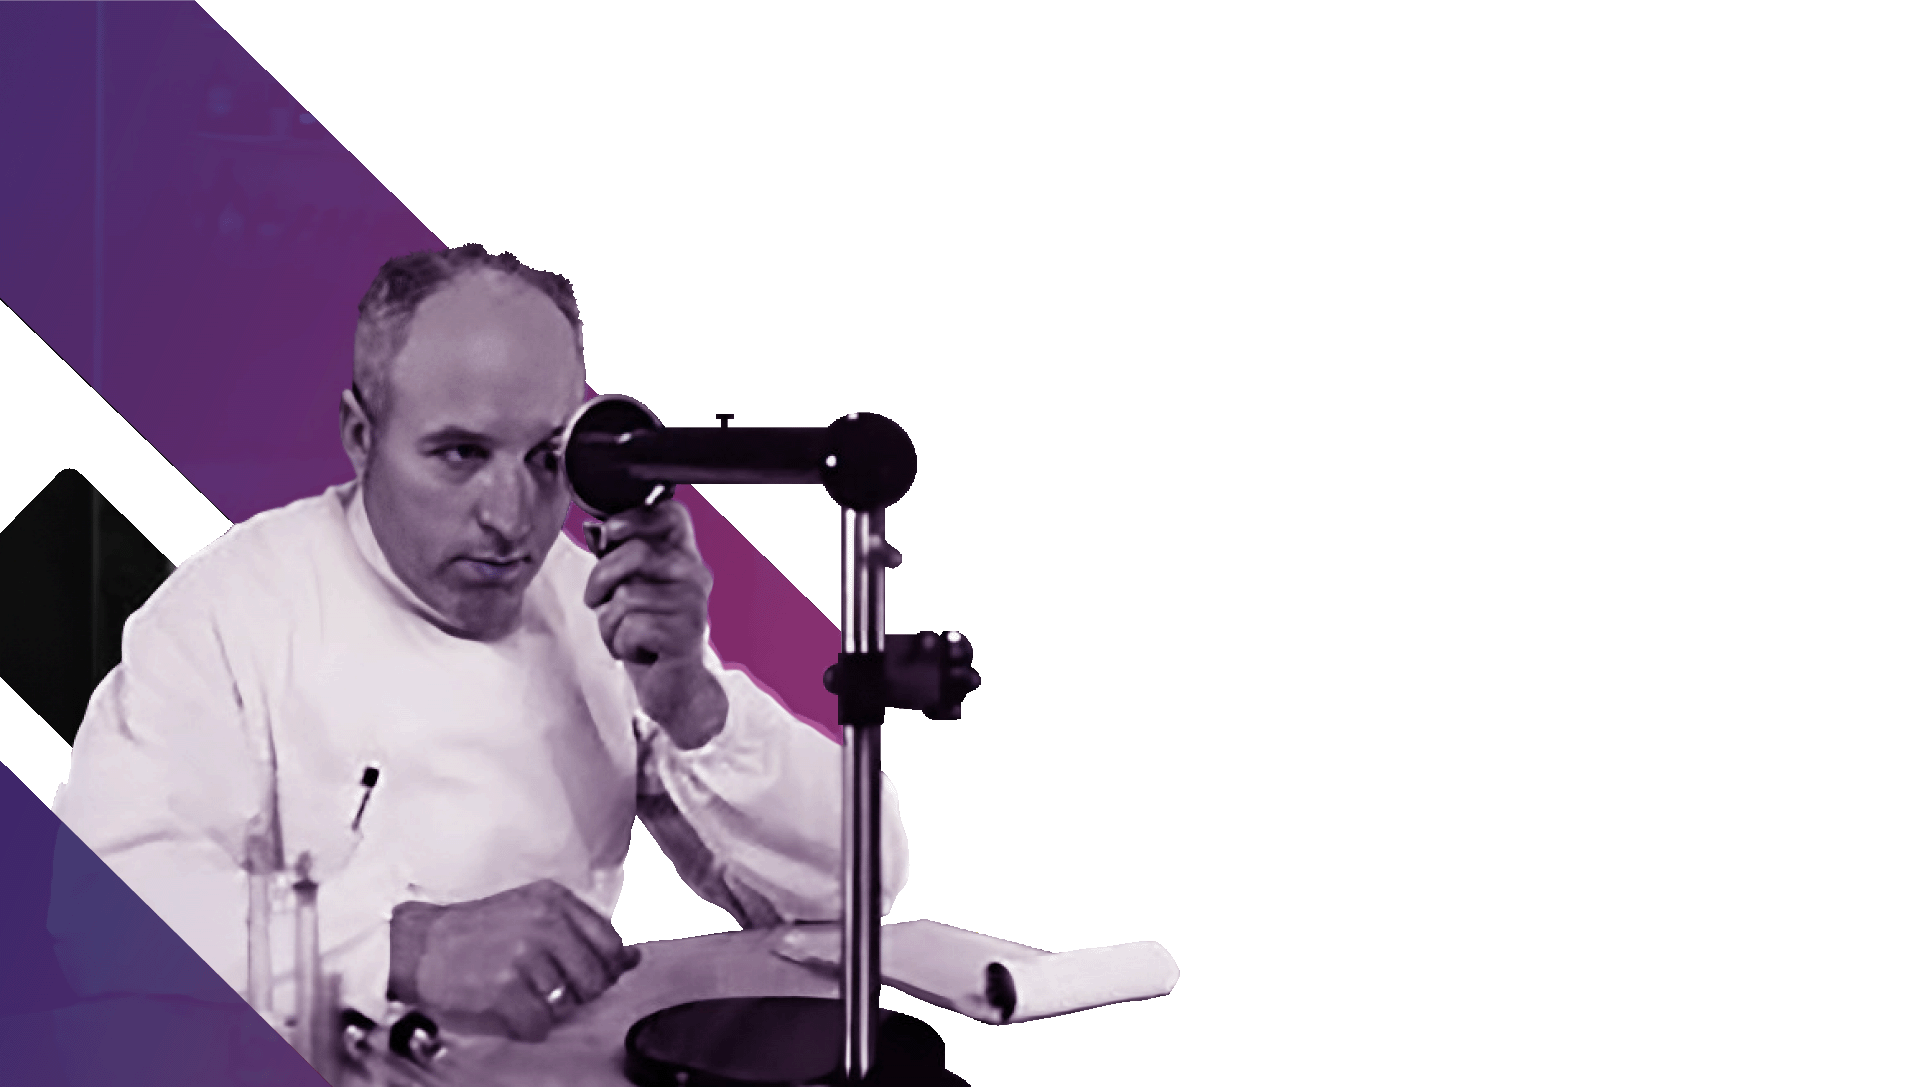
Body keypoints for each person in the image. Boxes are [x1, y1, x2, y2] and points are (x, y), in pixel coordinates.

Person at [49, 244, 907, 1042]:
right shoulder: (230, 610)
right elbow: (100, 916)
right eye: (460, 453)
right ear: (360, 436)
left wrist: (694, 708)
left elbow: (859, 883)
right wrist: (400, 947)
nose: (511, 517)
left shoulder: (596, 605)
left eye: (546, 460)